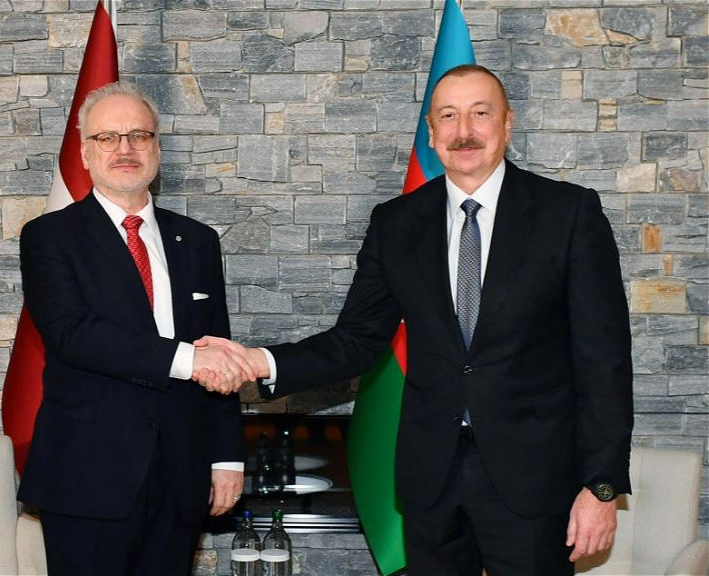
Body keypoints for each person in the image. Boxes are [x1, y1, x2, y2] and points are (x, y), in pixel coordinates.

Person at [194, 65, 634, 576]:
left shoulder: (569, 213)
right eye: (448, 116)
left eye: (480, 113)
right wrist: (258, 361)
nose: (464, 131)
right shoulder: (396, 222)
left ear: (508, 123)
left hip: (535, 480)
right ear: (430, 132)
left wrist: (601, 486)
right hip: (432, 479)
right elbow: (357, 339)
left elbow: (604, 361)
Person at [17, 82, 256, 576]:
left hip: (182, 476)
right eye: (107, 137)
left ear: (157, 149)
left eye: (138, 135)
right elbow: (73, 334)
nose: (124, 148)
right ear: (85, 154)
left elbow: (219, 347)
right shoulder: (48, 236)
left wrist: (227, 459)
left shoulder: (198, 240)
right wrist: (189, 360)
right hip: (88, 477)